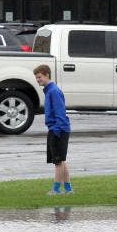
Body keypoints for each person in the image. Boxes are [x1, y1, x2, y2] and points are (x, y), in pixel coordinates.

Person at [33, 64, 72, 195]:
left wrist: (56, 130)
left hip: (58, 129)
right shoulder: (49, 91)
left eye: (39, 77)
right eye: (36, 78)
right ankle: (68, 188)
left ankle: (55, 189)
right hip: (57, 128)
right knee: (61, 159)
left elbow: (60, 112)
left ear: (47, 75)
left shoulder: (53, 91)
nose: (38, 80)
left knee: (58, 161)